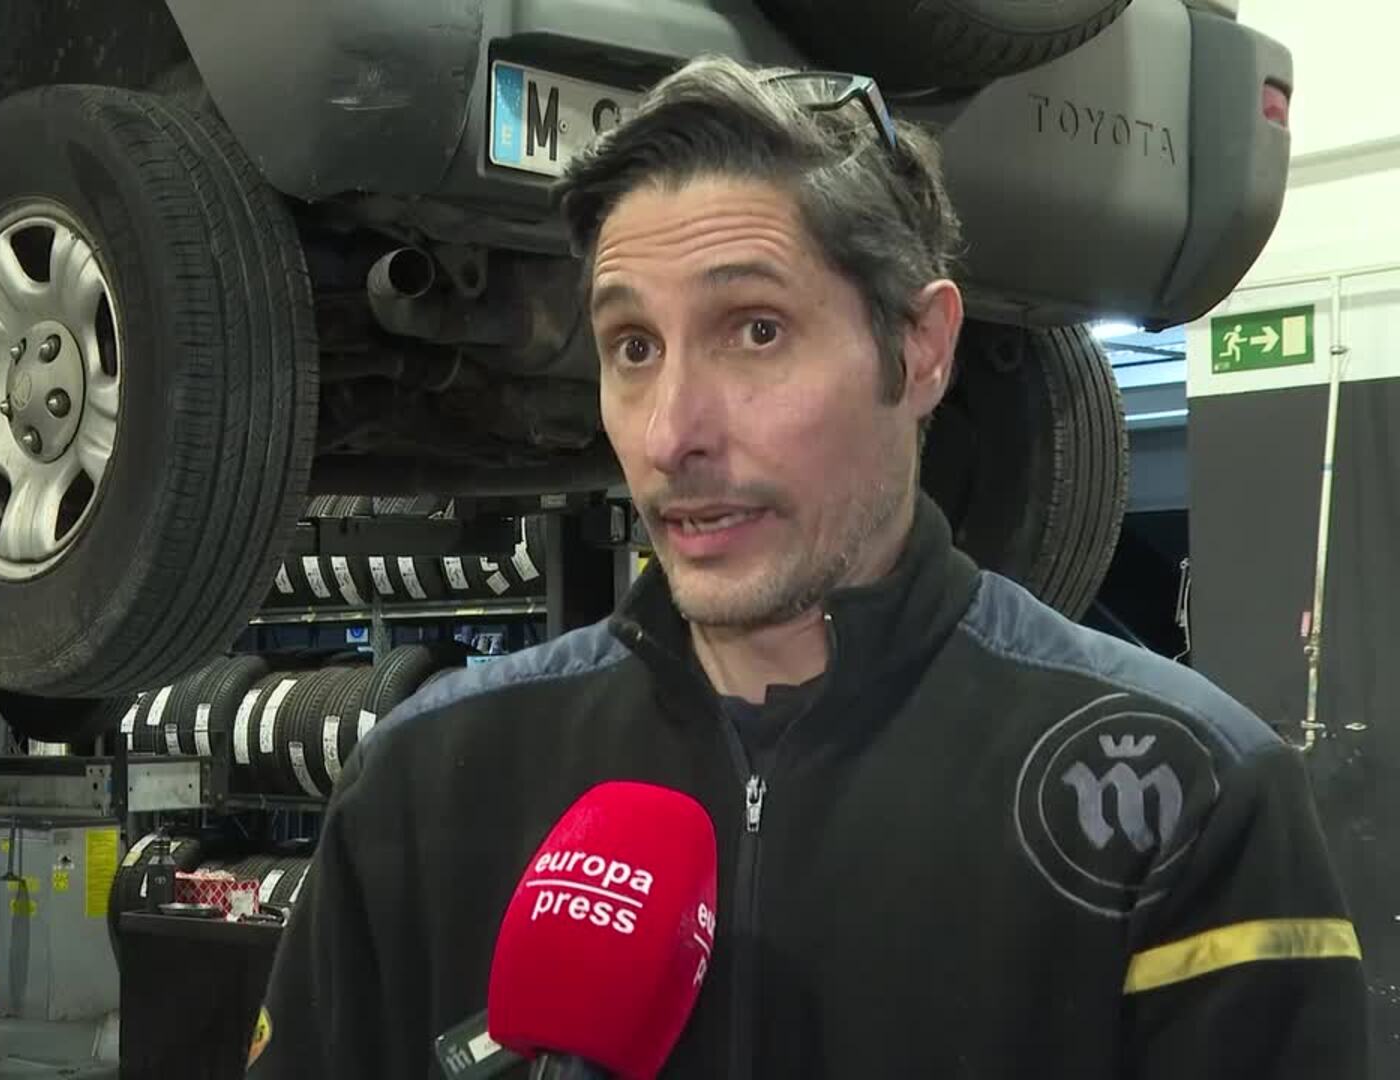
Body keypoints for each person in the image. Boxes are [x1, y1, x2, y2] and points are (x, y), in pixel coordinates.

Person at [250, 57, 1367, 1078]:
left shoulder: (1187, 797)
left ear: (919, 349)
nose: (671, 433)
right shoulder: (421, 783)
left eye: (756, 331)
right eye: (633, 347)